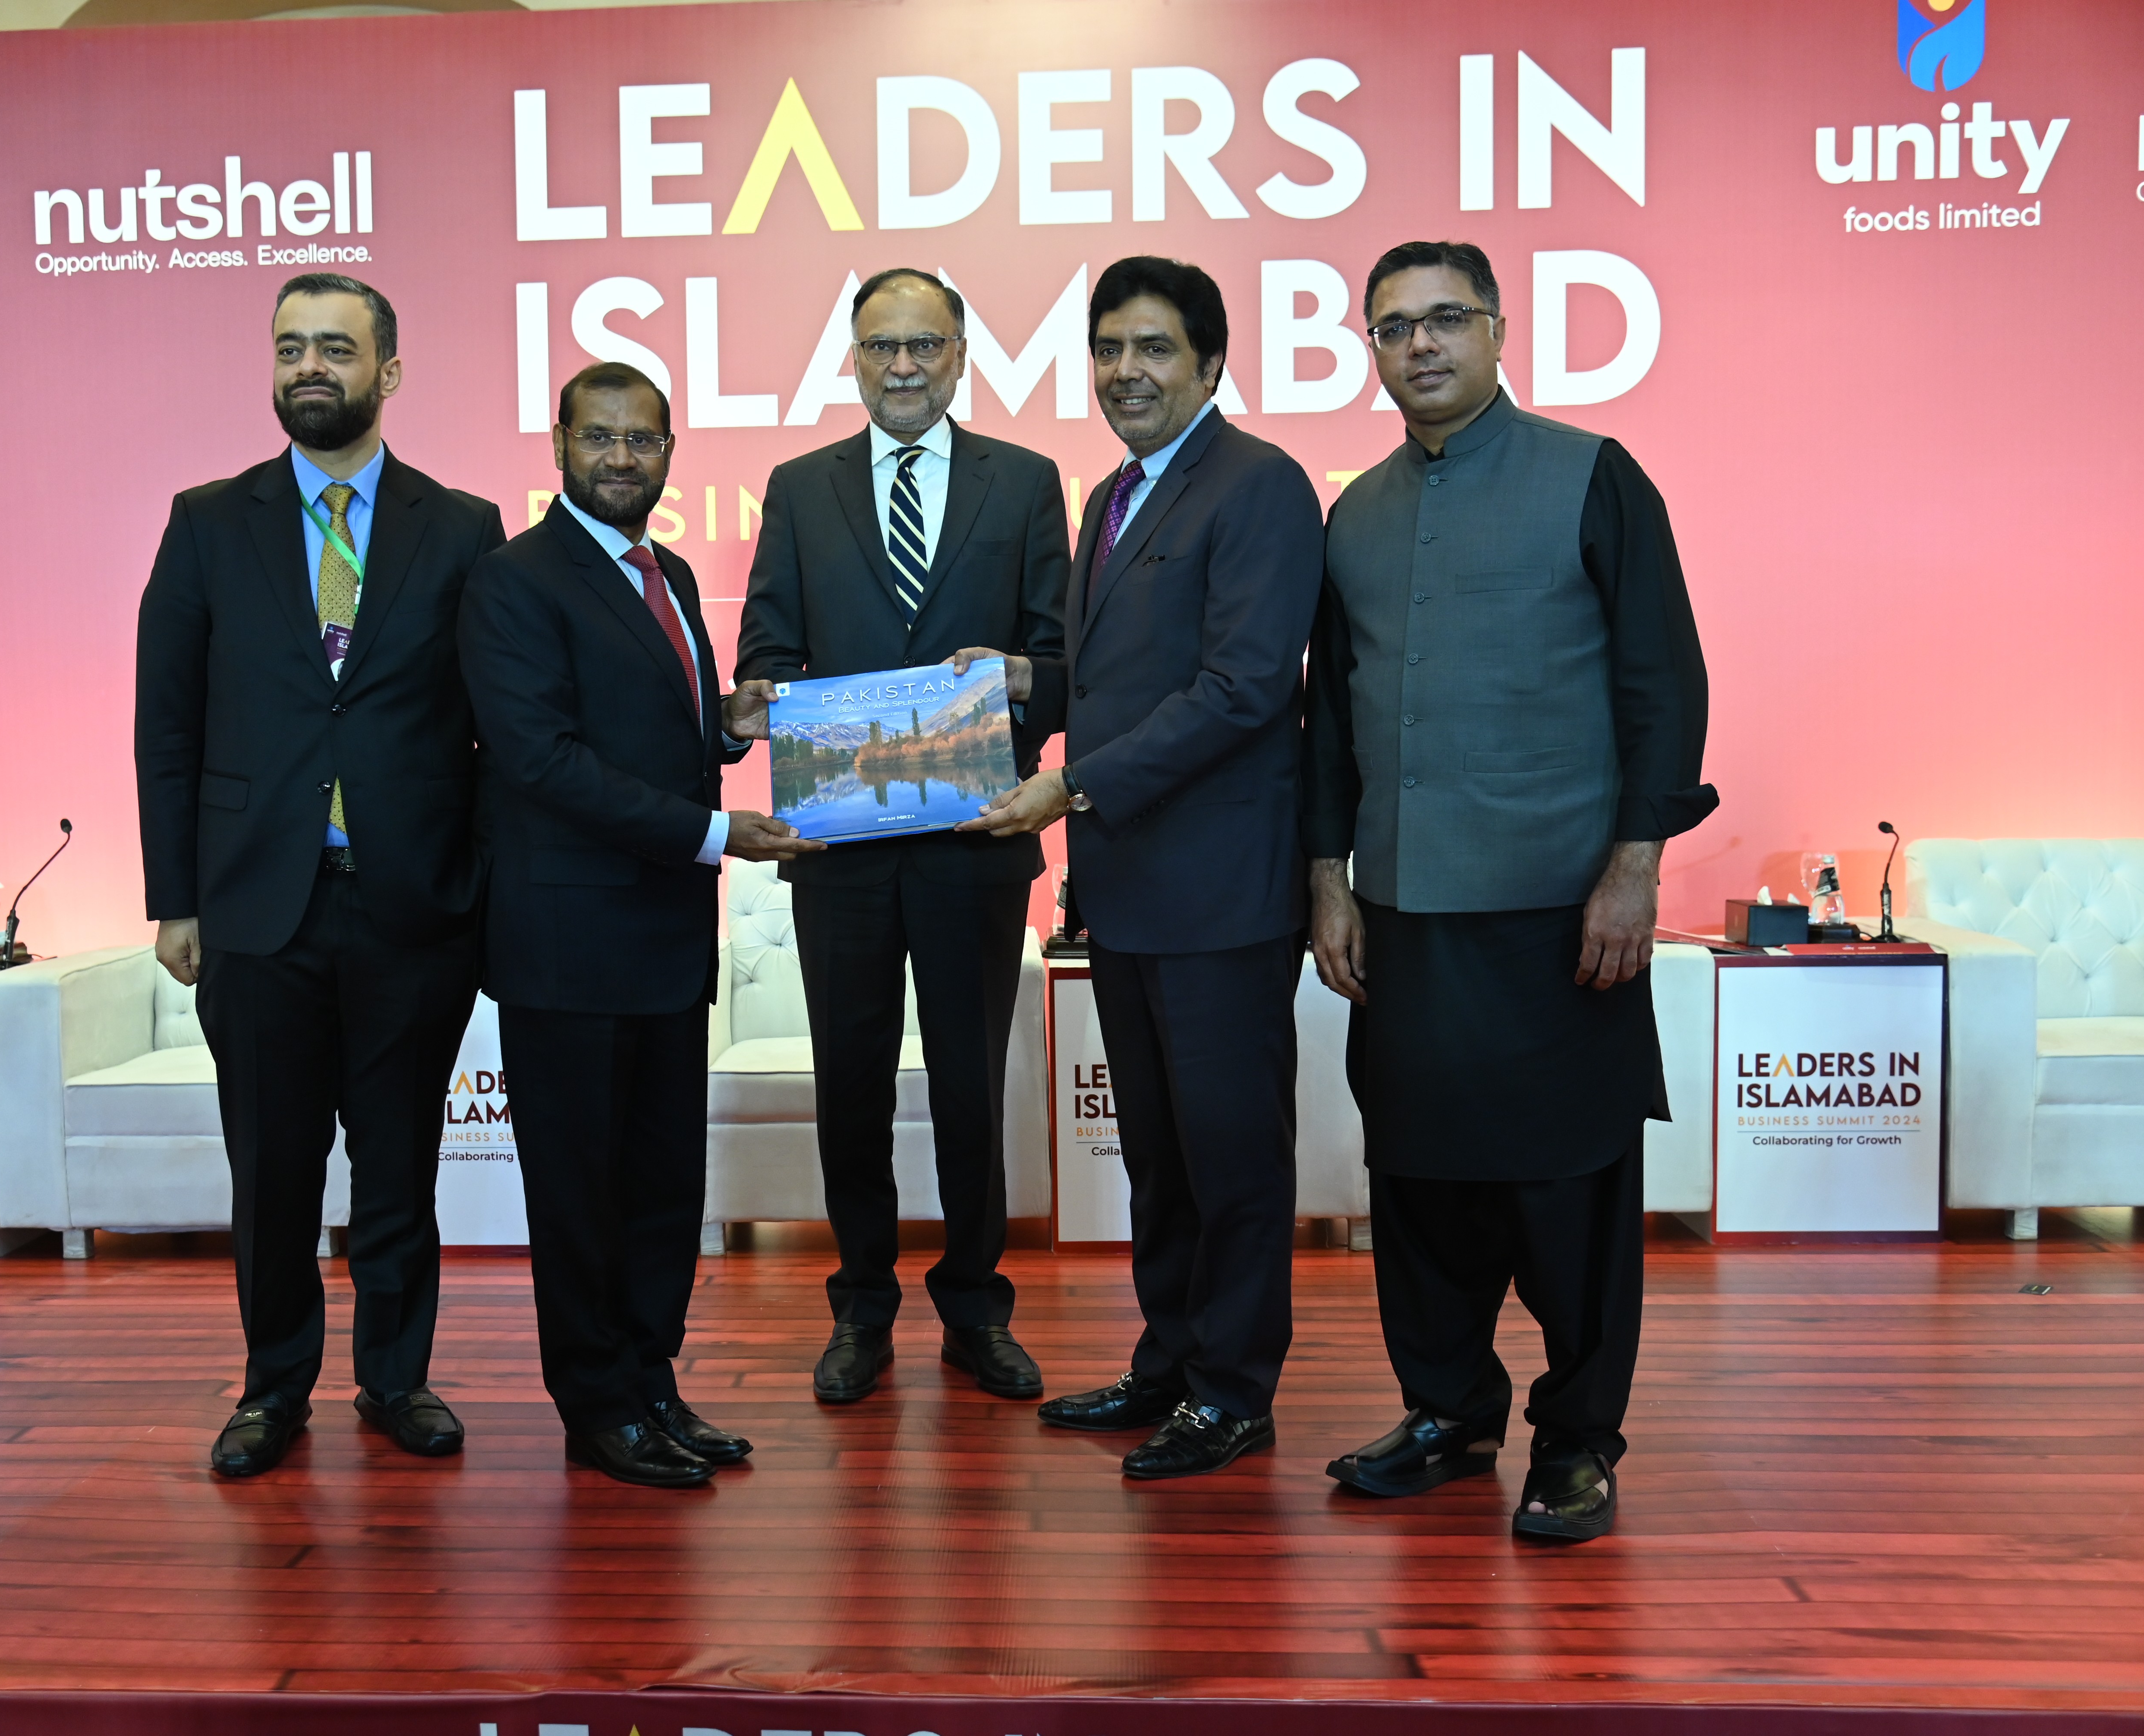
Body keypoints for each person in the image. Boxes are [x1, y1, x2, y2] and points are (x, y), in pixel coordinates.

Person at [1301, 240, 1715, 1543]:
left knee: (1568, 1193)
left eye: (1444, 321)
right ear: (1370, 348)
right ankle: (1450, 1413)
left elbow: (1664, 685)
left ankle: (1580, 1441)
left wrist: (1634, 867)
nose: (1419, 346)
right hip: (1407, 911)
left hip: (1559, 908)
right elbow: (1330, 726)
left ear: (1495, 330)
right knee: (1419, 1184)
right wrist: (1330, 878)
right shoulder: (1353, 512)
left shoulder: (1595, 476)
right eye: (1393, 328)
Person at [135, 273, 506, 1478]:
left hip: (412, 906)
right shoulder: (206, 521)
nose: (310, 367)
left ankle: (396, 1381)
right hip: (254, 908)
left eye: (336, 349)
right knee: (276, 1172)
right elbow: (168, 725)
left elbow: (492, 725)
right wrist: (174, 898)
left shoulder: (461, 527)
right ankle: (272, 1389)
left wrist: (485, 891)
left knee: (400, 1168)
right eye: (291, 346)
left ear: (388, 372)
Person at [964, 257, 1323, 1479]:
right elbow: (1118, 681)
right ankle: (1171, 1362)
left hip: (1221, 892)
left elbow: (1241, 689)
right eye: (1110, 348)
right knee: (1161, 1153)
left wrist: (1069, 784)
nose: (1128, 372)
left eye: (1156, 349)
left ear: (1212, 365)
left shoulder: (1260, 486)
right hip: (1126, 887)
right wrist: (1013, 686)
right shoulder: (1114, 496)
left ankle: (1234, 1392)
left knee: (1230, 1155)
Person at [460, 362, 821, 1489]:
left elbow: (643, 734)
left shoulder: (661, 572)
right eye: (601, 437)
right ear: (560, 442)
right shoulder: (514, 582)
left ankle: (652, 1381)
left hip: (664, 937)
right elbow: (546, 765)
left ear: (671, 452)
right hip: (566, 947)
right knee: (580, 1193)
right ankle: (595, 1405)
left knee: (665, 1185)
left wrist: (729, 724)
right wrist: (721, 833)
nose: (623, 458)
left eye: (644, 441)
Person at [734, 267, 1071, 1406]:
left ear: (963, 352)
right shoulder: (798, 487)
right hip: (841, 855)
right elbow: (769, 648)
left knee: (975, 1087)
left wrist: (1016, 684)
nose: (904, 366)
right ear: (854, 355)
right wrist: (770, 703)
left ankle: (977, 1306)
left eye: (925, 343)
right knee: (853, 1087)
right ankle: (862, 1306)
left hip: (978, 841)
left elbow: (1063, 665)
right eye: (882, 346)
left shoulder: (1025, 484)